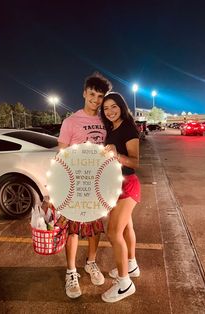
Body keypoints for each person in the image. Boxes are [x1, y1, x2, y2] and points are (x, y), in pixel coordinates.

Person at [57, 72, 112, 299]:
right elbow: (60, 153)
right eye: (92, 94)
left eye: (100, 96)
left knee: (94, 228)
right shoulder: (71, 121)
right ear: (84, 93)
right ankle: (71, 272)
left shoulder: (105, 121)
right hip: (74, 185)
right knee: (72, 229)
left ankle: (90, 263)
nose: (96, 100)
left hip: (97, 185)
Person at [100, 92, 141, 303]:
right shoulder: (112, 128)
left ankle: (124, 284)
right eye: (106, 108)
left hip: (128, 185)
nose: (110, 111)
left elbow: (134, 162)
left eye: (114, 106)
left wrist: (116, 154)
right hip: (116, 184)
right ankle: (131, 265)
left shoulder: (128, 127)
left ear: (121, 106)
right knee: (126, 228)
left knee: (113, 232)